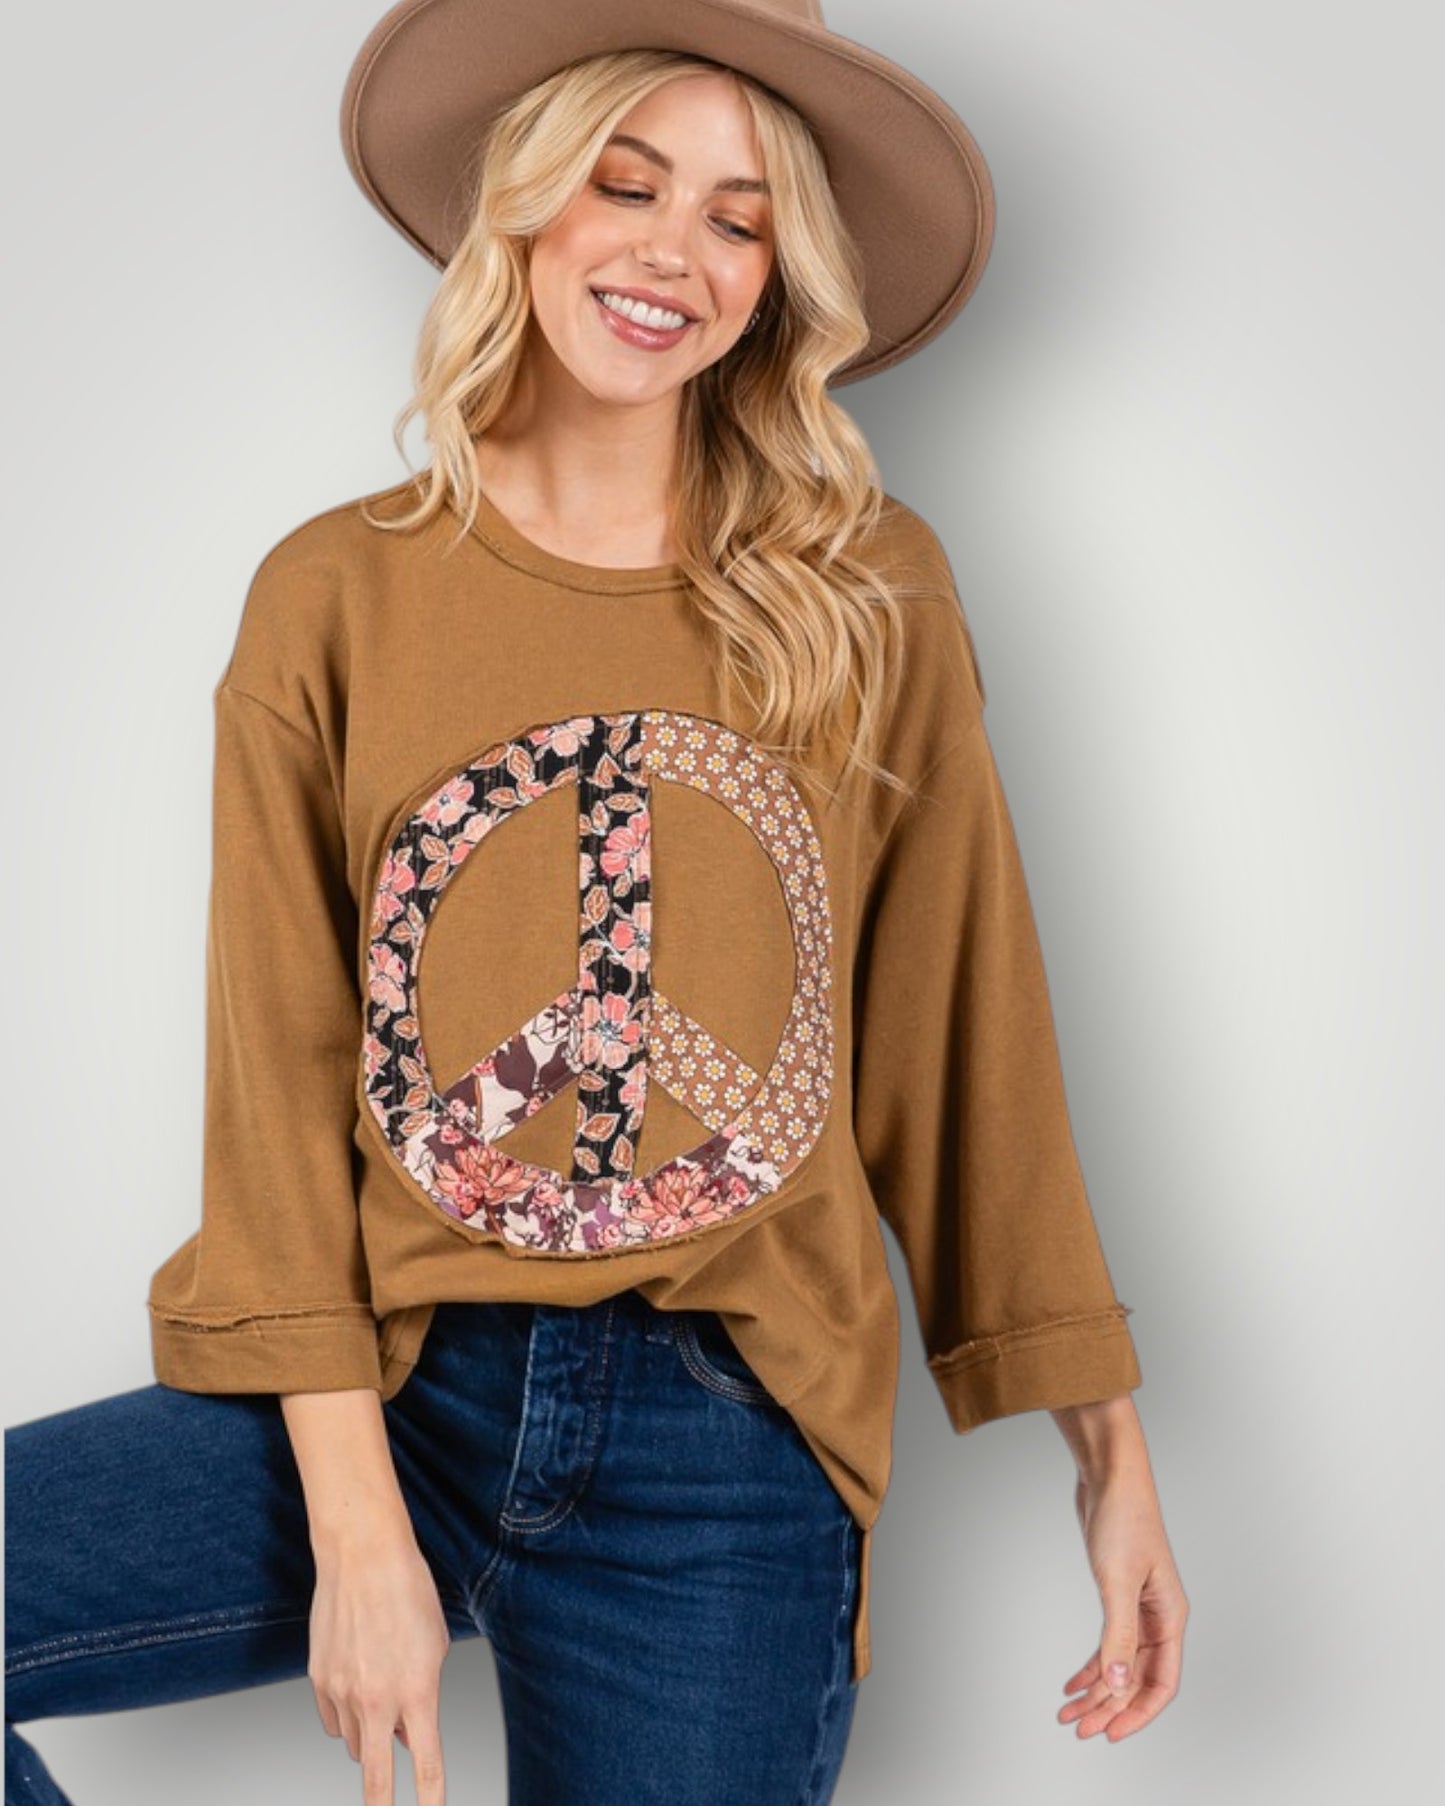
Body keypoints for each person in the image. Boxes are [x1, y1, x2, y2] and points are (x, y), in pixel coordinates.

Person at [4, 2, 1189, 1802]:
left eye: (737, 213)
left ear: (782, 274)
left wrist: (1108, 1451)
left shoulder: (866, 593)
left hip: (721, 1445)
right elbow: (277, 1086)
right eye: (626, 184)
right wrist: (357, 1529)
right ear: (525, 204)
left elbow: (963, 1034)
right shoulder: (332, 595)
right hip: (386, 1383)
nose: (673, 253)